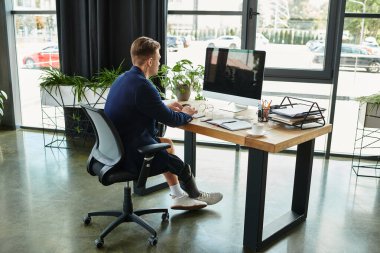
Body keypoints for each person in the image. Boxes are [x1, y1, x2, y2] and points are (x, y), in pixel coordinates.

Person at [104, 36, 223, 210]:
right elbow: (173, 121)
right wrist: (187, 113)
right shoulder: (143, 86)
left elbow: (137, 106)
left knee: (166, 145)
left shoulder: (123, 79)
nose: (160, 63)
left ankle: (178, 196)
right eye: (159, 59)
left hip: (114, 149)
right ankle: (196, 194)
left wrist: (163, 106)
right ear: (150, 61)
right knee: (178, 165)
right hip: (131, 155)